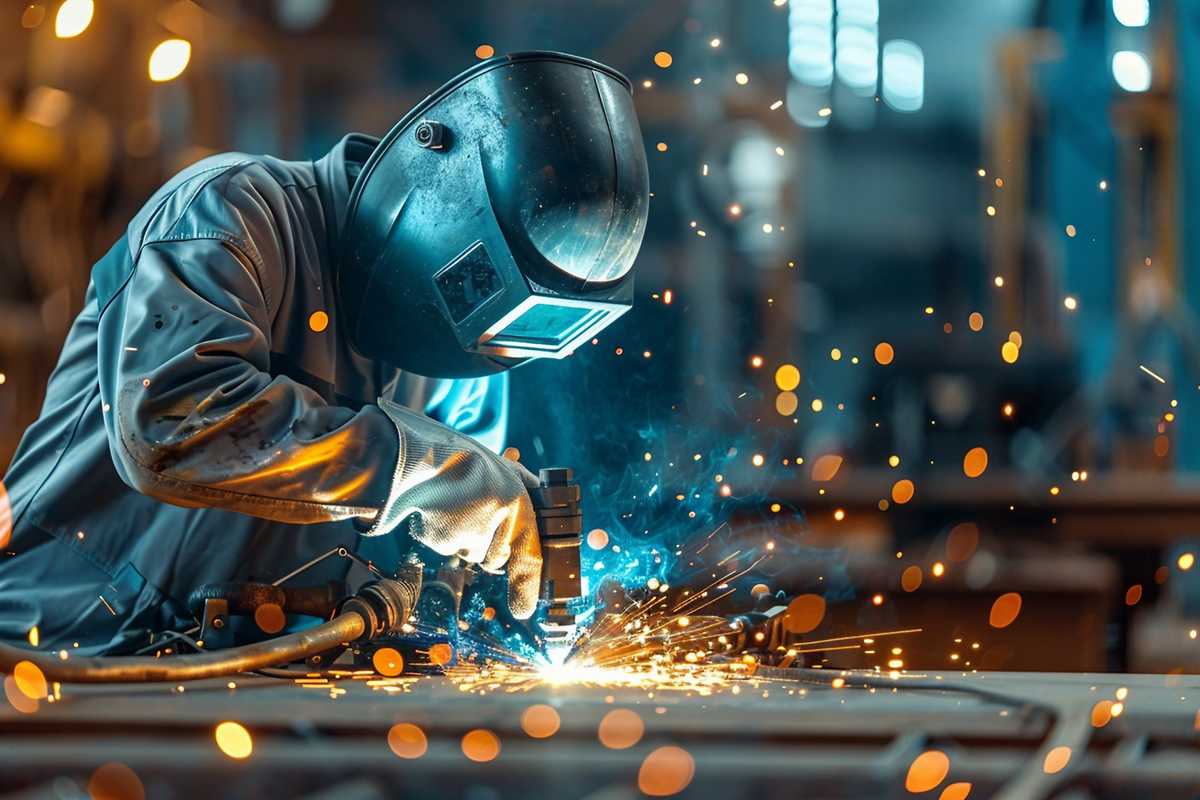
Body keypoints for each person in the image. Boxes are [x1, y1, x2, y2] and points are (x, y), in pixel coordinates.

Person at [0, 52, 648, 654]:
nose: (467, 352)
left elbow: (442, 554)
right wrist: (424, 470)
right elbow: (175, 427)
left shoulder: (464, 349)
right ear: (435, 205)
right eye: (471, 291)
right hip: (61, 643)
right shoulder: (232, 210)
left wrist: (487, 577)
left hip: (256, 674)